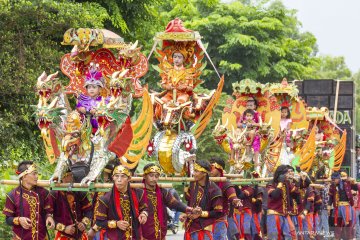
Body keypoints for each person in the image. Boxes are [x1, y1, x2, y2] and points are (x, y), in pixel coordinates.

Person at [92, 165, 148, 240]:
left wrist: (144, 214)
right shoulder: (105, 199)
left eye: (123, 176)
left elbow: (144, 208)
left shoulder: (138, 193)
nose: (119, 179)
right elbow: (99, 222)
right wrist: (116, 224)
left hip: (135, 236)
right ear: (113, 178)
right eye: (117, 176)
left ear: (129, 178)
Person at [2, 161, 55, 240]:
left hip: (42, 237)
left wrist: (49, 217)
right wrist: (19, 220)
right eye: (34, 174)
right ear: (24, 176)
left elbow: (48, 211)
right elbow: (8, 219)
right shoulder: (12, 195)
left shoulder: (44, 192)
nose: (37, 176)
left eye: (37, 173)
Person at [141, 163, 193, 240]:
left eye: (156, 176)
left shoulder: (163, 192)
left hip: (160, 234)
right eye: (151, 175)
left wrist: (189, 209)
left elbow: (175, 203)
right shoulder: (138, 192)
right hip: (143, 235)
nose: (154, 179)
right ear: (144, 176)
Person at [182, 159, 224, 239]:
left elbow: (218, 212)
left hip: (204, 229)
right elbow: (190, 202)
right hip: (190, 227)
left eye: (196, 171)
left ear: (204, 173)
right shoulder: (193, 185)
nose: (194, 173)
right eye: (194, 170)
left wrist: (201, 213)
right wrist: (186, 214)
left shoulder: (214, 190)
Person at [50, 170, 92, 240]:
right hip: (62, 236)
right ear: (61, 178)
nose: (69, 178)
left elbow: (89, 210)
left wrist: (84, 223)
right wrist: (64, 228)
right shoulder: (54, 194)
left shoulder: (78, 191)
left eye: (70, 175)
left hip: (80, 236)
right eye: (66, 176)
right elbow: (48, 216)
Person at [209, 157, 241, 240]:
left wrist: (235, 200)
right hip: (205, 221)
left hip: (219, 220)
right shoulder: (206, 183)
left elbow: (232, 196)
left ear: (219, 168)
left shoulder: (226, 183)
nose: (210, 170)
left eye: (212, 167)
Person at [266, 165, 298, 240]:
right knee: (274, 236)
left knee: (290, 236)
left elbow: (296, 194)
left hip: (284, 214)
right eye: (286, 173)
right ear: (281, 174)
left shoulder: (286, 183)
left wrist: (298, 181)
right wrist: (280, 183)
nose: (288, 175)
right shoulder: (271, 183)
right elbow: (275, 195)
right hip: (274, 214)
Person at [76, 62, 108, 134]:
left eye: (94, 87)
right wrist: (81, 109)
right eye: (89, 87)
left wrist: (97, 111)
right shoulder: (83, 99)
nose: (91, 89)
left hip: (99, 128)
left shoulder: (103, 101)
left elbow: (106, 111)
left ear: (100, 89)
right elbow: (78, 107)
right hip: (84, 128)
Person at [328, 171, 358, 240]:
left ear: (338, 178)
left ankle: (349, 238)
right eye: (332, 179)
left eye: (334, 179)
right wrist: (329, 207)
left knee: (348, 224)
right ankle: (337, 238)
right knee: (337, 225)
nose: (333, 181)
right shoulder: (332, 186)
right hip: (337, 207)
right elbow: (330, 198)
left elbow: (356, 188)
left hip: (346, 206)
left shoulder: (347, 183)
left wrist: (350, 180)